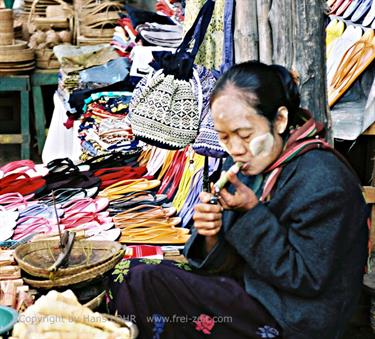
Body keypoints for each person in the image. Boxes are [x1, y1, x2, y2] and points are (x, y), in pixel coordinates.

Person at [106, 61, 369, 339]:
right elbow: (226, 256)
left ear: (279, 120)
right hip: (255, 289)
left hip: (295, 318)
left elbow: (307, 279)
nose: (235, 149)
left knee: (144, 283)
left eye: (244, 135)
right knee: (128, 271)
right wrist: (211, 233)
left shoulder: (324, 180)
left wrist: (252, 214)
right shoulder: (252, 161)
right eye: (224, 138)